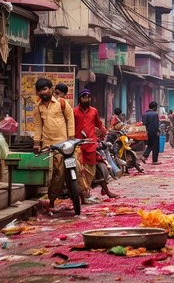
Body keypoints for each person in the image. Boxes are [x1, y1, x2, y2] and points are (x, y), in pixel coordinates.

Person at [32, 78, 75, 208]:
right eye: (39, 90)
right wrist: (36, 143)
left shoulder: (62, 103)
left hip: (64, 144)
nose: (42, 92)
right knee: (55, 174)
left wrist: (71, 138)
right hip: (48, 145)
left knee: (73, 169)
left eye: (44, 89)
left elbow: (70, 119)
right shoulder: (37, 108)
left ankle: (78, 195)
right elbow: (38, 126)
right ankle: (52, 199)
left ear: (51, 89)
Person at [74, 89, 116, 201]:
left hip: (91, 144)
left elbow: (99, 124)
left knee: (90, 170)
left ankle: (86, 192)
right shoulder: (74, 112)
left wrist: (104, 133)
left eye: (88, 97)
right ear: (80, 98)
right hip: (78, 145)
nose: (86, 99)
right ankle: (82, 196)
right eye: (84, 97)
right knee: (79, 171)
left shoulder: (94, 111)